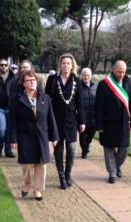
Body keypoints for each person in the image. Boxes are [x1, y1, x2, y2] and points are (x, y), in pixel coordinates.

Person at [8, 70, 59, 201]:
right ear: (23, 83)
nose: (32, 82)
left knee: (41, 164)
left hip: (41, 135)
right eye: (29, 80)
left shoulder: (45, 98)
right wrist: (13, 138)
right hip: (25, 135)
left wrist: (54, 136)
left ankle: (37, 189)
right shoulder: (16, 99)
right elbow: (12, 120)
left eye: (34, 80)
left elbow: (50, 118)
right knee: (27, 164)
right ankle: (26, 183)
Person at [45, 53, 85, 189]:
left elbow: (80, 103)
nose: (66, 65)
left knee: (71, 148)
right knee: (58, 148)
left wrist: (82, 122)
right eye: (63, 63)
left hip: (71, 120)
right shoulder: (53, 80)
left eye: (68, 63)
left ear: (72, 65)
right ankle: (61, 176)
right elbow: (47, 100)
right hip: (56, 119)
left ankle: (68, 174)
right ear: (60, 65)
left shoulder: (76, 81)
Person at [94, 60, 131, 183]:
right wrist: (99, 125)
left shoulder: (128, 83)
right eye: (119, 72)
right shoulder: (104, 84)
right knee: (109, 148)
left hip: (124, 123)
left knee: (125, 148)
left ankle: (116, 166)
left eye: (123, 72)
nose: (121, 74)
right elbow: (98, 107)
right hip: (108, 123)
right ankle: (112, 173)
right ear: (113, 70)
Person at [79, 67, 98, 159]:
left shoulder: (96, 87)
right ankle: (84, 151)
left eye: (88, 75)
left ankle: (88, 143)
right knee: (82, 137)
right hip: (82, 117)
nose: (86, 77)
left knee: (90, 135)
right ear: (82, 76)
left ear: (91, 76)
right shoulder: (78, 87)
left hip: (93, 117)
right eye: (84, 75)